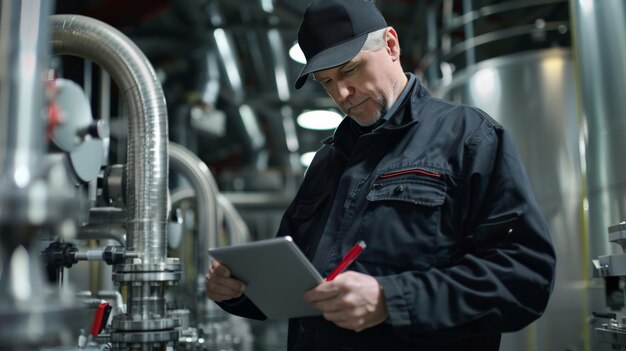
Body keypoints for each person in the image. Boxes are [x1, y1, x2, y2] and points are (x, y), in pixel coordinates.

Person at [204, 0, 556, 350]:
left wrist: (392, 300)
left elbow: (525, 279)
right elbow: (292, 282)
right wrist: (239, 291)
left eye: (349, 70)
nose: (341, 94)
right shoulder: (328, 161)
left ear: (390, 45)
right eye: (327, 82)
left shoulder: (469, 137)